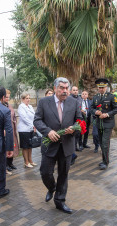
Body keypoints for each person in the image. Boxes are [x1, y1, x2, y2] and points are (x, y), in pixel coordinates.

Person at [34, 77, 82, 214]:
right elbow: (37, 120)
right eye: (61, 88)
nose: (65, 91)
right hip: (50, 145)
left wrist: (74, 127)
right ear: (55, 88)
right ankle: (51, 187)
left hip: (67, 145)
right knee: (45, 172)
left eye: (66, 88)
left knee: (63, 174)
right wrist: (48, 132)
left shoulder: (74, 102)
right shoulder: (44, 102)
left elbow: (80, 120)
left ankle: (60, 201)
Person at [91, 78, 117, 170]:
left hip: (108, 123)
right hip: (99, 123)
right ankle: (104, 160)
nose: (101, 89)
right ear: (97, 88)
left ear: (106, 87)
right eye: (100, 87)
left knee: (105, 143)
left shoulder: (111, 96)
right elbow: (91, 108)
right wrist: (96, 112)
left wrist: (107, 114)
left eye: (103, 87)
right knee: (101, 142)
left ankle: (106, 162)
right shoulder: (96, 97)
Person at [17, 93, 37, 168]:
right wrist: (32, 125)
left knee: (30, 145)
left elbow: (34, 116)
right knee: (25, 146)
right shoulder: (21, 107)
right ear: (22, 99)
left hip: (31, 129)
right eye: (26, 98)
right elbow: (24, 118)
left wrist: (34, 125)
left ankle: (30, 160)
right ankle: (26, 162)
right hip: (24, 129)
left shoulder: (30, 107)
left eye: (29, 98)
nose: (28, 100)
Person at [4, 89, 19, 173]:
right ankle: (6, 164)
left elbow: (13, 116)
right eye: (6, 97)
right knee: (7, 146)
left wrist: (14, 121)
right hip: (5, 130)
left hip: (12, 128)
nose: (7, 99)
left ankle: (10, 163)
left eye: (8, 97)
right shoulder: (2, 105)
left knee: (13, 145)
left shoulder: (9, 105)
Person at [70, 86, 83, 151]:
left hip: (79, 118)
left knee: (78, 133)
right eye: (74, 90)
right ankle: (73, 148)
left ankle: (76, 146)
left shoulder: (80, 98)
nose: (75, 91)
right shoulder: (69, 98)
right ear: (71, 91)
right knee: (73, 134)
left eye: (76, 90)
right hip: (72, 119)